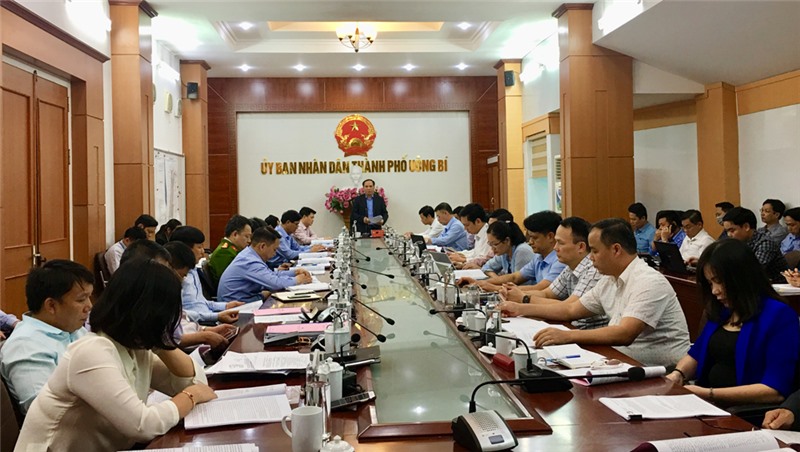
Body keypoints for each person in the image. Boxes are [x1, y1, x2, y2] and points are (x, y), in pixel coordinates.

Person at [15, 259, 216, 451]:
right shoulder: (91, 351)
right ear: (148, 312)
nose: (89, 306)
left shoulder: (134, 348)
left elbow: (196, 383)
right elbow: (143, 425)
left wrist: (159, 343)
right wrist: (192, 396)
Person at [501, 218, 690, 367]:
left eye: (594, 251)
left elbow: (625, 333)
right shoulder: (609, 279)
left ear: (616, 249)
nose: (590, 258)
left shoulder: (648, 281)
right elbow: (570, 310)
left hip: (661, 372)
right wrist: (519, 308)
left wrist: (567, 336)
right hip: (620, 361)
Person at [666, 239, 799, 407]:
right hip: (706, 403)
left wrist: (709, 393)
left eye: (719, 281)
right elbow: (697, 353)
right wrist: (678, 374)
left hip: (742, 411)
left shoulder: (779, 316)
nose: (714, 291)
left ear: (741, 277)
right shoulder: (723, 311)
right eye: (710, 283)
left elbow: (774, 390)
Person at [0, 260, 94, 414]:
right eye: (81, 299)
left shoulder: (73, 329)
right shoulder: (26, 346)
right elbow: (46, 412)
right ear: (51, 306)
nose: (89, 306)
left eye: (89, 297)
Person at [500, 217, 608, 330]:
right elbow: (546, 293)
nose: (555, 248)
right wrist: (513, 293)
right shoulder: (570, 267)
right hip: (572, 328)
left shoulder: (594, 270)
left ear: (580, 247)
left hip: (587, 332)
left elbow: (569, 308)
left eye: (560, 243)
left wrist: (524, 299)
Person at [464, 211, 565, 292]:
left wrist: (496, 288)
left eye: (534, 238)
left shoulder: (560, 260)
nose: (530, 242)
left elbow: (541, 289)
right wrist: (480, 283)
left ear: (550, 236)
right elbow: (515, 277)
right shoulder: (538, 257)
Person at [164, 241, 237, 349]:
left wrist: (206, 330)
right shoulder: (165, 291)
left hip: (199, 329)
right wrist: (205, 335)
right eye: (199, 247)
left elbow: (184, 317)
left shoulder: (191, 272)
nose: (203, 252)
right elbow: (171, 340)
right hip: (190, 344)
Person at [218, 227, 313, 302]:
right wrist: (297, 280)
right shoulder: (250, 261)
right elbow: (275, 284)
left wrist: (294, 272)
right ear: (262, 246)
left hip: (246, 300)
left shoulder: (251, 255)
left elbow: (270, 275)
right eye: (274, 250)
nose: (275, 254)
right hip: (237, 308)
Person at [171, 226, 244, 323]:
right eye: (199, 247)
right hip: (197, 323)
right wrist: (216, 316)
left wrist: (226, 306)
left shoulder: (194, 270)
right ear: (185, 250)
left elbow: (201, 303)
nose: (203, 251)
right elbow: (182, 314)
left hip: (209, 317)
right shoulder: (177, 276)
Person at [722, 207, 787, 283]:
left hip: (776, 287)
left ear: (746, 227)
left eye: (732, 230)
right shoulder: (737, 243)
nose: (729, 235)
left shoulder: (765, 243)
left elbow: (752, 271)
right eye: (727, 231)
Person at [207, 215, 253, 286]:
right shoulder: (223, 252)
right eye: (246, 236)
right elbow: (229, 281)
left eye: (250, 237)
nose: (249, 241)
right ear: (235, 234)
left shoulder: (232, 249)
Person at [449, 203, 493, 269]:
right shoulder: (479, 232)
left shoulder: (489, 235)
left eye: (467, 225)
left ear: (478, 221)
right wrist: (460, 254)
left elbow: (483, 259)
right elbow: (475, 252)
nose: (465, 229)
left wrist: (464, 260)